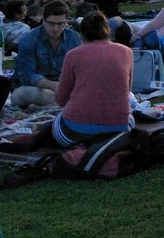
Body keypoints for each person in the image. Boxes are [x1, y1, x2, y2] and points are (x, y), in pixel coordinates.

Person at [51, 12, 133, 148]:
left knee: (58, 120)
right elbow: (126, 91)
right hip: (117, 130)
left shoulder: (73, 55)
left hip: (74, 132)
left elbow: (61, 98)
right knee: (130, 117)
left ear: (82, 34)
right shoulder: (126, 52)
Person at [10, 1, 81, 107]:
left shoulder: (74, 38)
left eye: (60, 24)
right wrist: (53, 85)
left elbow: (80, 68)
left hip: (64, 87)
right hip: (36, 87)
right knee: (21, 95)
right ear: (43, 20)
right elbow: (26, 75)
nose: (55, 28)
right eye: (51, 23)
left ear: (66, 21)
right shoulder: (29, 39)